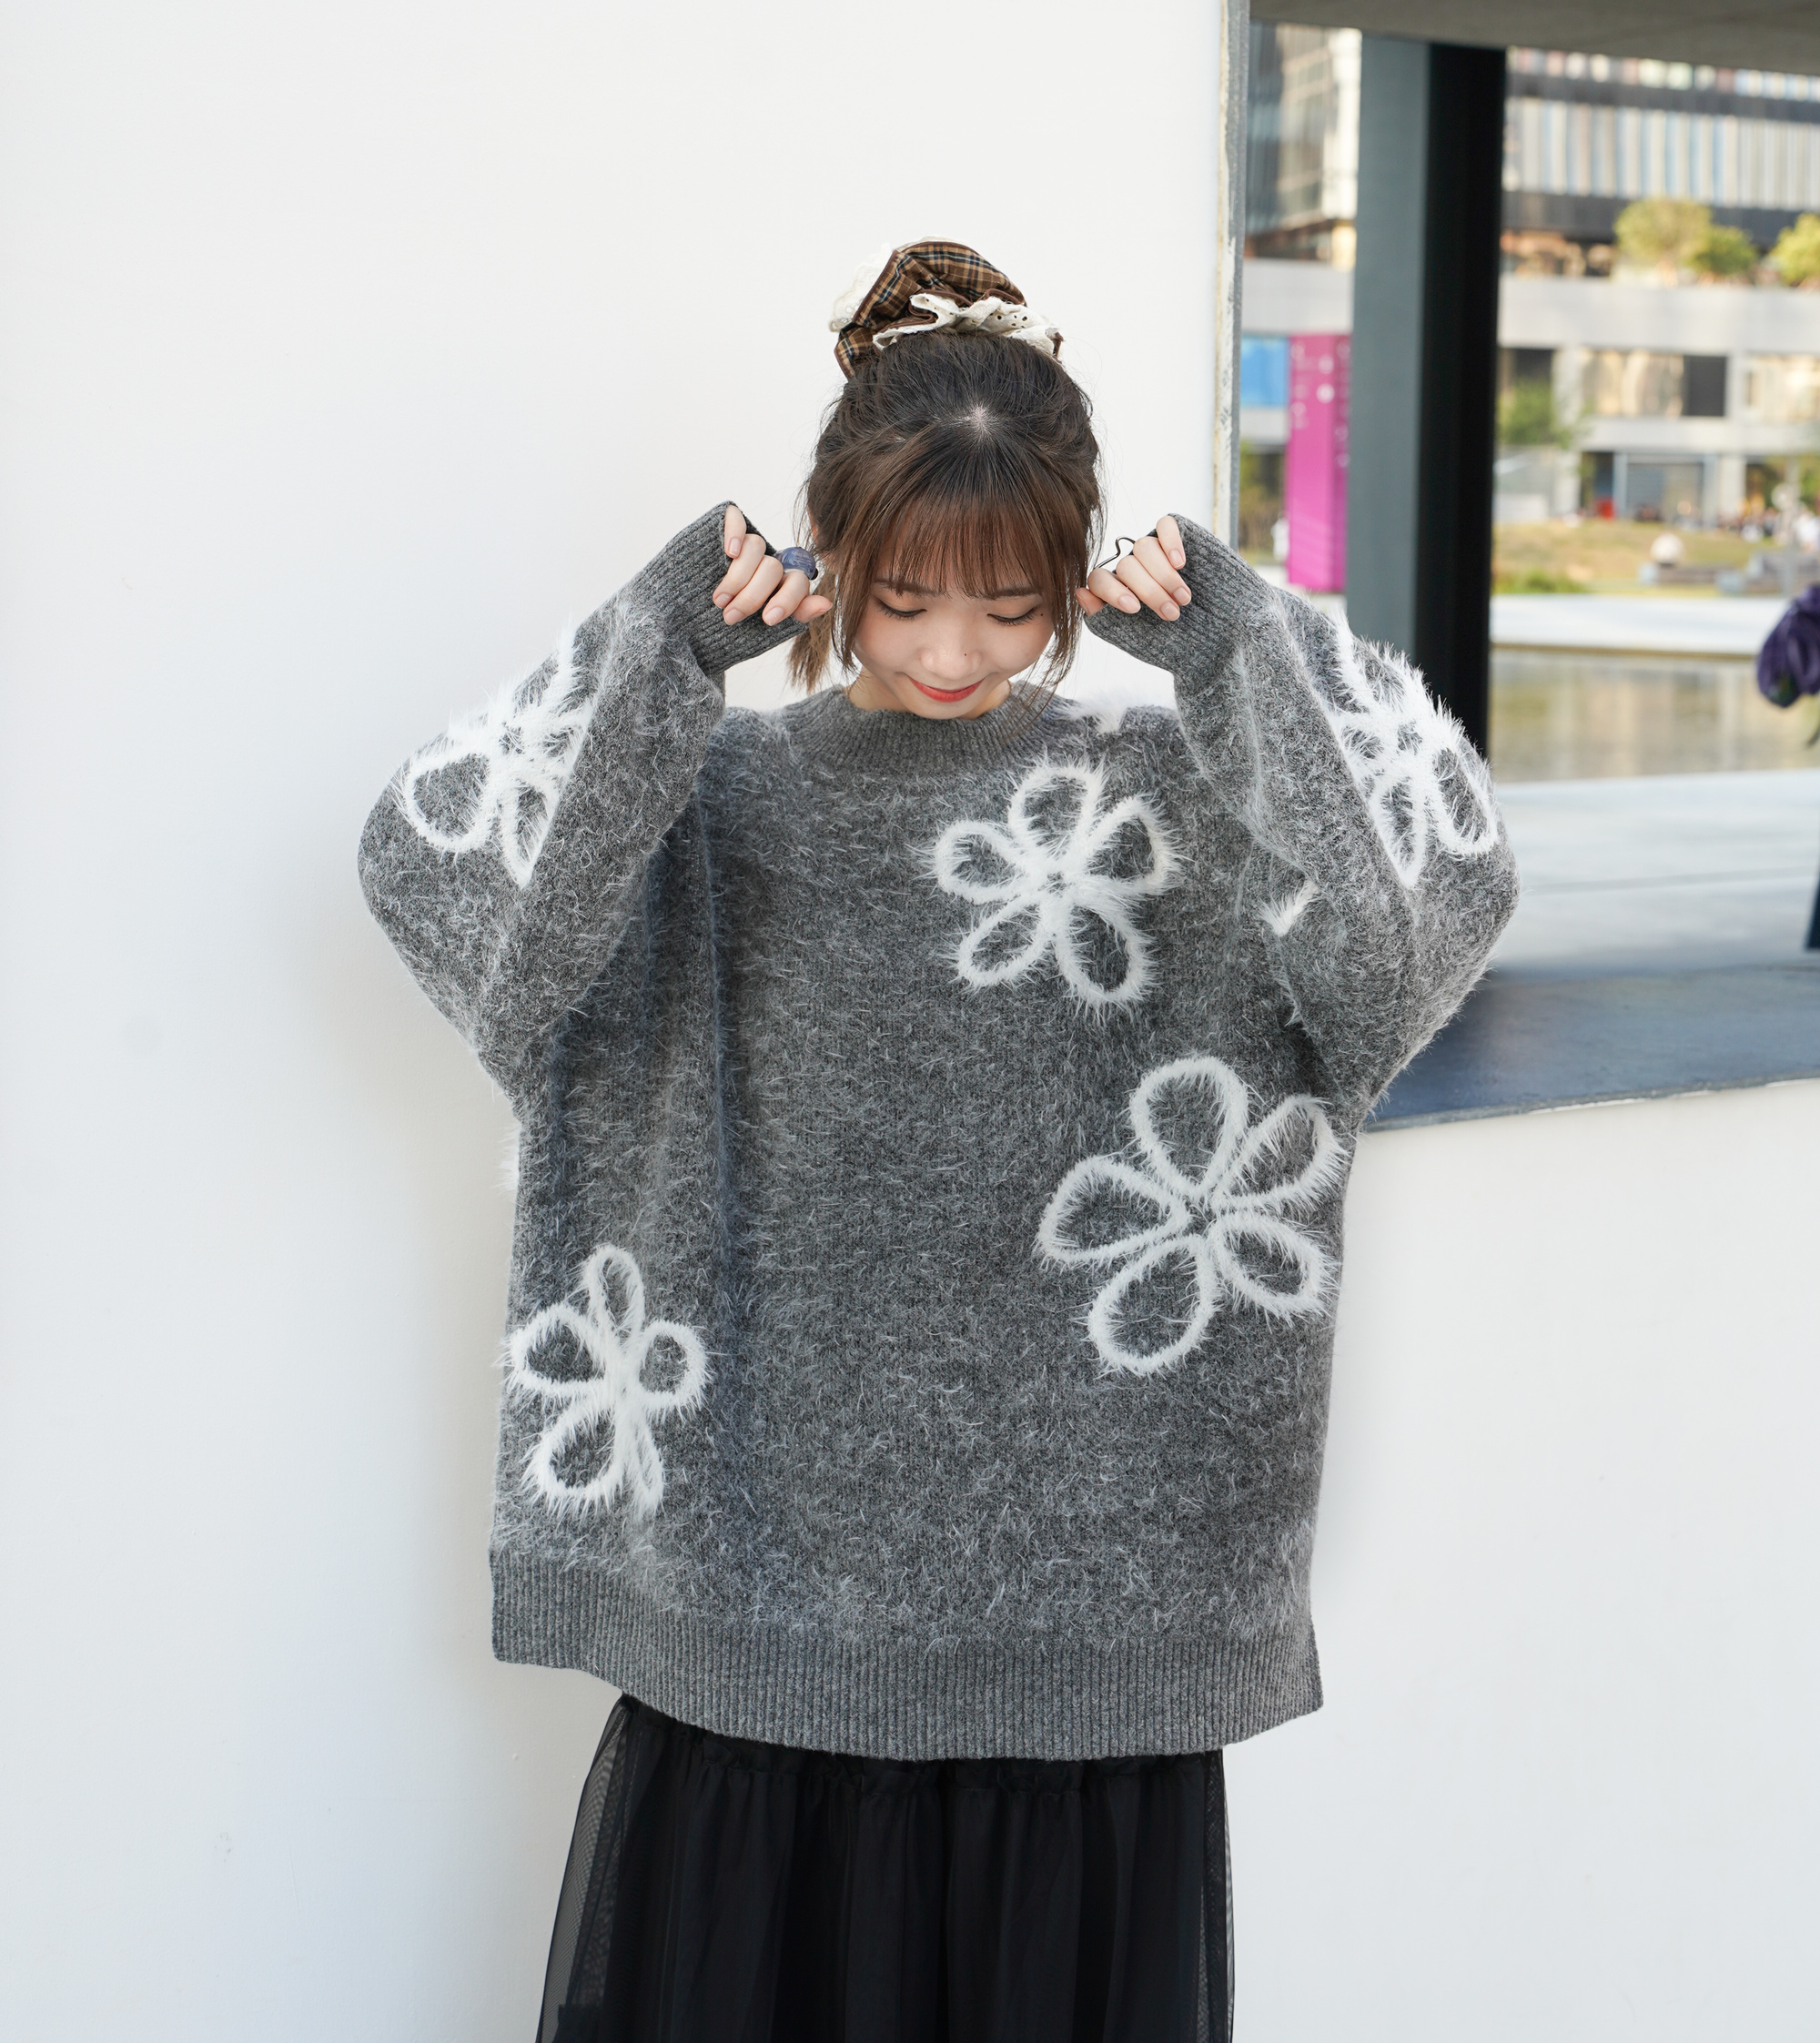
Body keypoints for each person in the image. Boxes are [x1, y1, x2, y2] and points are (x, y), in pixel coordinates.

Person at [359, 240, 1518, 2042]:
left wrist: (1243, 654)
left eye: (1010, 602)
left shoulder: (1178, 799)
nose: (955, 653)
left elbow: (1421, 930)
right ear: (828, 561)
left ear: (1078, 577)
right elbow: (438, 884)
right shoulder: (714, 799)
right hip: (757, 1627)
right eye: (902, 598)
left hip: (1089, 1650)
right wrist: (658, 648)